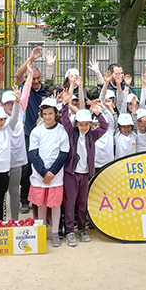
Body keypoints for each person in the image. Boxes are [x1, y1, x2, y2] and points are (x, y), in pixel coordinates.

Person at [60, 98, 107, 247]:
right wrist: (65, 104)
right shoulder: (70, 133)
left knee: (82, 202)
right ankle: (69, 231)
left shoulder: (92, 136)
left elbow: (104, 126)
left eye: (87, 124)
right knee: (70, 202)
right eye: (81, 125)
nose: (84, 127)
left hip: (85, 174)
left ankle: (82, 228)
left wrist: (98, 114)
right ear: (76, 124)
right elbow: (64, 119)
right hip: (71, 174)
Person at [15, 47, 56, 214]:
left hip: (44, 136)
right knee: (26, 168)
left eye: (39, 78)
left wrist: (49, 65)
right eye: (34, 78)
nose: (37, 81)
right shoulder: (25, 90)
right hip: (27, 134)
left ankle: (40, 199)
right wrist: (30, 59)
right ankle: (24, 199)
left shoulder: (45, 92)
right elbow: (18, 75)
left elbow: (49, 81)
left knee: (41, 166)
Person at [0, 64, 32, 221]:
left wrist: (29, 75)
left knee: (14, 191)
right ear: (2, 105)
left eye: (11, 102)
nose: (9, 105)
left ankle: (14, 221)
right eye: (6, 103)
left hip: (16, 160)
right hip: (1, 160)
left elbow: (26, 92)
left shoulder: (19, 109)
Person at [28, 97, 70, 248]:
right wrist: (43, 172)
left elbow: (64, 153)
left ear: (55, 113)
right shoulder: (36, 131)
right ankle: (41, 231)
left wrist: (51, 172)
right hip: (40, 177)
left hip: (55, 177)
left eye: (50, 114)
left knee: (55, 205)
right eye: (44, 114)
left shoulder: (61, 131)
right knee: (41, 204)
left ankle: (54, 233)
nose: (47, 117)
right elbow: (33, 153)